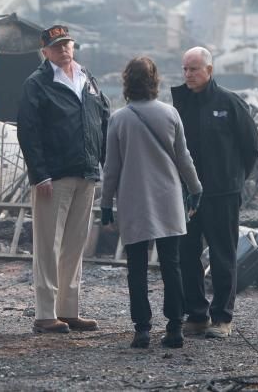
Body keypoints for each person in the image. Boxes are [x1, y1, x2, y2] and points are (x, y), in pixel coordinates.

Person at [101, 57, 203, 349]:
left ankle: (142, 329)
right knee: (172, 266)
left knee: (137, 268)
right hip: (168, 200)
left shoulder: (119, 119)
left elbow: (112, 168)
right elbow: (184, 158)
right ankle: (174, 328)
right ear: (154, 81)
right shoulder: (170, 114)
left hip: (134, 202)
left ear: (126, 82)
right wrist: (195, 188)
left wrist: (106, 204)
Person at [17, 24, 110, 334]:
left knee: (74, 244)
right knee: (48, 245)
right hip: (53, 177)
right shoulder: (38, 83)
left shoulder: (88, 80)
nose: (63, 49)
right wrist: (39, 173)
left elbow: (104, 120)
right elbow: (28, 131)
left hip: (86, 171)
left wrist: (104, 164)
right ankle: (45, 314)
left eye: (67, 44)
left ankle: (68, 310)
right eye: (56, 46)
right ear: (45, 52)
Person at [171, 46, 258, 339]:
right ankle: (196, 315)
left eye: (194, 69)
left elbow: (250, 148)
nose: (188, 75)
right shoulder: (178, 106)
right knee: (187, 255)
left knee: (223, 255)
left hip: (222, 193)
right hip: (186, 195)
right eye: (185, 69)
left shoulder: (230, 103)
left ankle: (222, 317)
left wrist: (233, 180)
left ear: (209, 70)